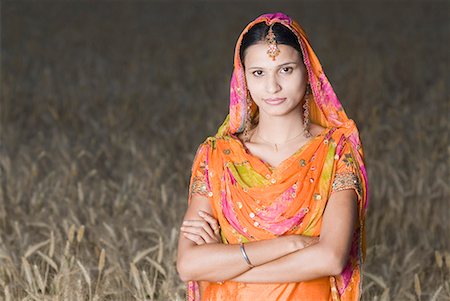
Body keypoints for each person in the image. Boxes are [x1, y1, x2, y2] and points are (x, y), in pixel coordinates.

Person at [176, 12, 369, 301]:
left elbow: (330, 258)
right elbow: (189, 264)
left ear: (308, 71)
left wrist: (224, 266)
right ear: (243, 78)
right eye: (258, 73)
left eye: (286, 70)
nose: (272, 87)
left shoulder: (335, 152)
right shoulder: (217, 156)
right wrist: (290, 245)